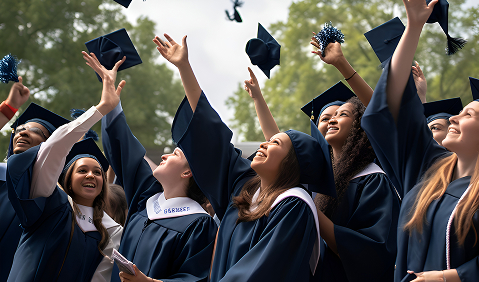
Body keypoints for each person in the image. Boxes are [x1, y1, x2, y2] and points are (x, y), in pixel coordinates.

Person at [154, 33, 335, 281]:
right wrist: (184, 67)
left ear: (290, 162)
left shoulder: (294, 206)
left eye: (275, 143)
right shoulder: (245, 189)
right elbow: (212, 139)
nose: (264, 143)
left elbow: (262, 271)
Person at [245, 63, 400, 281]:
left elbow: (371, 251)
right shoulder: (319, 180)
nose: (332, 120)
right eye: (325, 119)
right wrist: (258, 100)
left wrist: (309, 209)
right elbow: (280, 146)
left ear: (360, 126)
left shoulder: (372, 180)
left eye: (342, 114)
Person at [361, 0, 479, 280]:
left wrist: (447, 277)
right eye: (458, 113)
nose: (454, 118)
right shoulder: (428, 168)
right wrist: (413, 27)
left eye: (469, 114)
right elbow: (392, 107)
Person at [6, 51, 125, 282]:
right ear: (67, 178)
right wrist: (101, 108)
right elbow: (54, 147)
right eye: (82, 170)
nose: (91, 174)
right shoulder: (48, 201)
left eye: (98, 172)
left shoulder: (110, 231)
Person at [102, 70, 217, 282]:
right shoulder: (147, 198)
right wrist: (111, 104)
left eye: (175, 153)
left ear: (188, 172)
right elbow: (126, 151)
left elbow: (194, 278)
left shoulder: (199, 225)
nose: (165, 154)